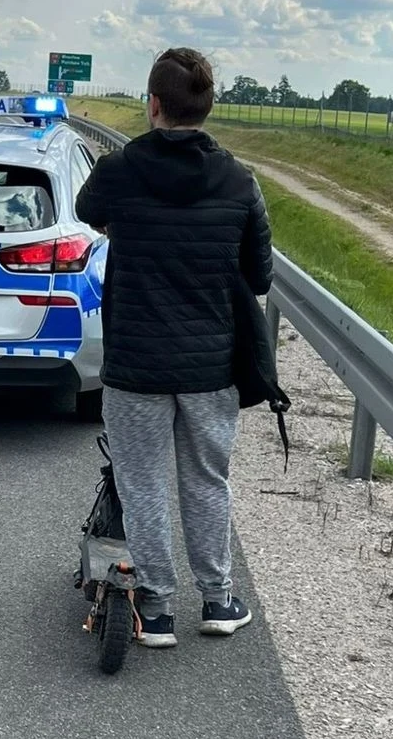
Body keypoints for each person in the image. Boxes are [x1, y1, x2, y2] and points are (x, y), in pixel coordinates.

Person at [74, 47, 275, 649]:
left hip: (136, 363)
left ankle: (156, 609)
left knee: (142, 483)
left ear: (153, 104)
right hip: (211, 366)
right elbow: (259, 275)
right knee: (207, 481)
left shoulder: (121, 169)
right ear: (208, 107)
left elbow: (87, 211)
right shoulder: (239, 180)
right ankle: (218, 600)